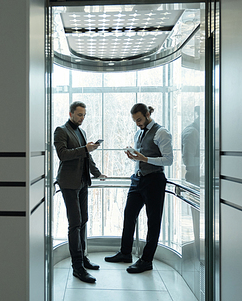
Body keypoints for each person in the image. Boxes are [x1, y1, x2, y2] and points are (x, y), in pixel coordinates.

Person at [105, 103, 173, 273]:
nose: (137, 123)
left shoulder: (161, 132)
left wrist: (145, 159)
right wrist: (134, 157)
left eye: (140, 119)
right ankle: (125, 252)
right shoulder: (138, 133)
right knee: (129, 215)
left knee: (153, 221)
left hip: (155, 180)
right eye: (135, 120)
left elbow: (168, 160)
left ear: (148, 114)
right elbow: (141, 158)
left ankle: (146, 260)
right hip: (138, 180)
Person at [54, 101, 106, 283]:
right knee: (75, 223)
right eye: (79, 115)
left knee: (83, 220)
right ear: (70, 114)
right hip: (68, 183)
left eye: (84, 115)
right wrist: (85, 148)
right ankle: (77, 267)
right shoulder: (61, 131)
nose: (82, 118)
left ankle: (83, 258)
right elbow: (63, 154)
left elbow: (86, 156)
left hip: (83, 181)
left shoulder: (81, 132)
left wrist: (97, 173)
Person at [181, 105, 200, 186]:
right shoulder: (192, 131)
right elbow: (188, 158)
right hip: (194, 174)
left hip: (195, 172)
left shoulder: (195, 130)